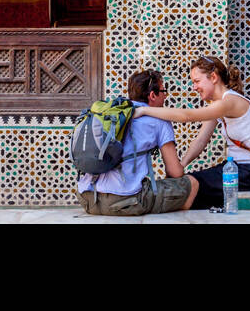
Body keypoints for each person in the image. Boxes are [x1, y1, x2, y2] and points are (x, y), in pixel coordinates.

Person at [134, 55, 250, 209]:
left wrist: (145, 110)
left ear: (213, 77)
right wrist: (181, 166)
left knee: (191, 186)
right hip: (238, 169)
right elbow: (201, 140)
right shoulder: (218, 104)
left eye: (197, 81)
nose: (194, 87)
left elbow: (187, 116)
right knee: (187, 182)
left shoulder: (229, 102)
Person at [76, 69, 199, 216]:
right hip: (125, 202)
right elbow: (175, 172)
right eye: (163, 91)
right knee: (192, 183)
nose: (166, 95)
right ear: (152, 95)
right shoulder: (160, 121)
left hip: (88, 199)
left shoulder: (112, 114)